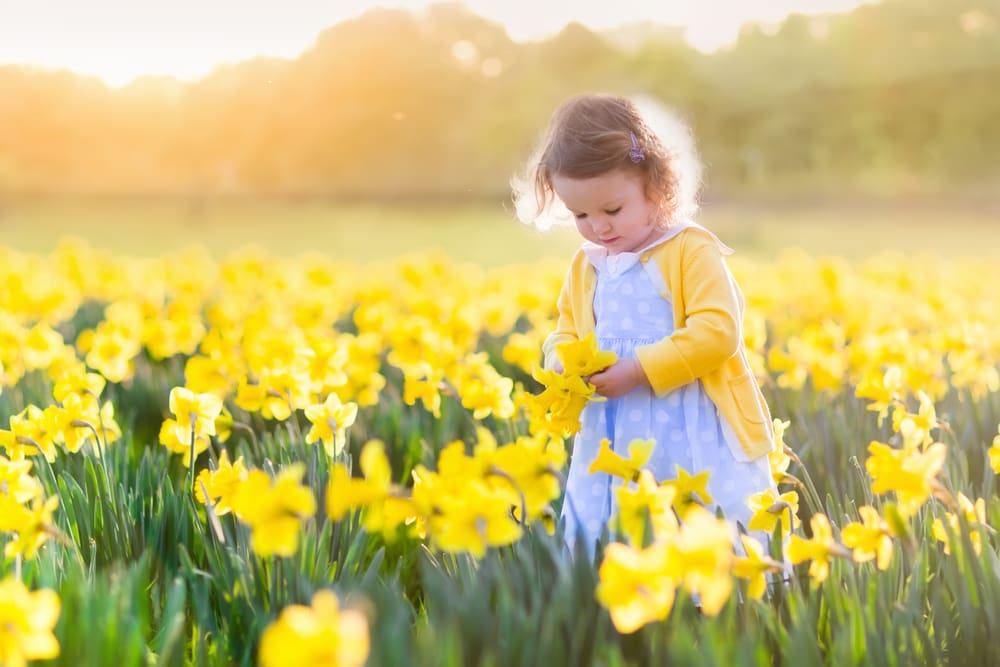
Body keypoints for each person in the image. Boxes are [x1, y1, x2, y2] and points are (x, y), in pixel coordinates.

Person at [513, 93, 778, 553]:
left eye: (612, 210)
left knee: (694, 524)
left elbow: (718, 333)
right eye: (580, 214)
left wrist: (638, 370)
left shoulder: (690, 249)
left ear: (656, 187)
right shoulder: (588, 264)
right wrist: (560, 362)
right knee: (617, 530)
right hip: (610, 428)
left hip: (691, 420)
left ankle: (713, 609)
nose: (598, 227)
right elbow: (566, 330)